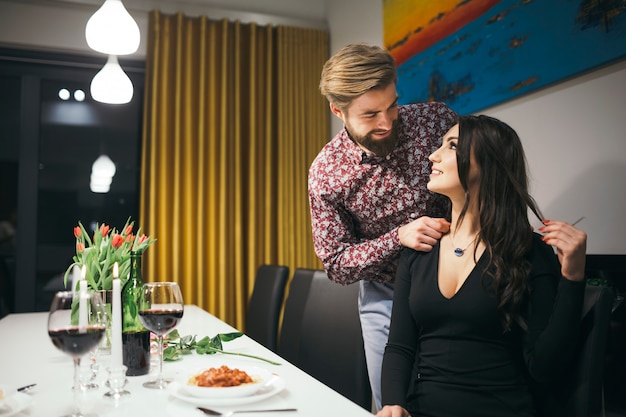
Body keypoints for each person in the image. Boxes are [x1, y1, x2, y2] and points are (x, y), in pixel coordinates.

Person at [377, 115, 587, 417]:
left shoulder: (527, 252)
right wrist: (393, 403)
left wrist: (573, 278)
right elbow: (400, 346)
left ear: (487, 164)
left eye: (451, 146)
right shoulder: (420, 248)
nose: (432, 155)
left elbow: (544, 367)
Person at [308, 42, 457, 409]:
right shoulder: (326, 173)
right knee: (392, 405)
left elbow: (482, 180)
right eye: (370, 114)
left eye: (392, 105)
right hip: (386, 298)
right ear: (337, 111)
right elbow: (336, 264)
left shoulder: (436, 121)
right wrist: (398, 238)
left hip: (460, 282)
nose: (387, 121)